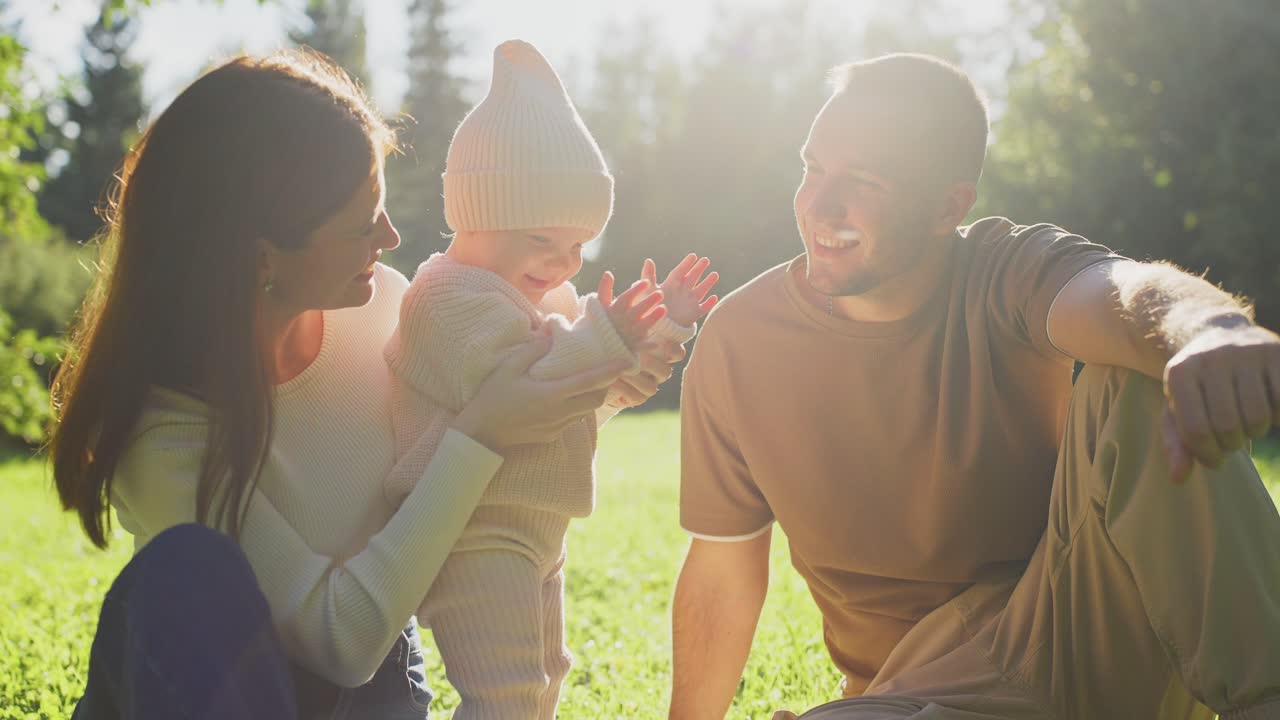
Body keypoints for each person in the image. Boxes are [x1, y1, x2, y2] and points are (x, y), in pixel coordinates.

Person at [49, 49, 678, 720]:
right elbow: (339, 641)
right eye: (362, 221)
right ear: (263, 256)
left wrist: (597, 392)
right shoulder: (164, 441)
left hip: (372, 692)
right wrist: (483, 430)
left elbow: (475, 444)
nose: (392, 234)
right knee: (181, 571)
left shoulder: (384, 308)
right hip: (224, 694)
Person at [670, 53, 1280, 720]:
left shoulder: (1006, 270)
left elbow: (1122, 293)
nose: (822, 204)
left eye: (864, 182)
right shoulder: (740, 341)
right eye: (814, 169)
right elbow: (723, 574)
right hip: (915, 693)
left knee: (1140, 373)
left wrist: (1212, 327)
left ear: (947, 208)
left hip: (1079, 636)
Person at [383, 40, 719, 720]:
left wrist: (660, 334)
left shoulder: (544, 304)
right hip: (474, 526)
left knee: (545, 675)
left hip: (538, 523)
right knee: (503, 688)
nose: (564, 266)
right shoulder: (445, 298)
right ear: (480, 212)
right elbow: (526, 380)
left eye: (579, 249)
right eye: (545, 241)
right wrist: (608, 337)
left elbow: (576, 400)